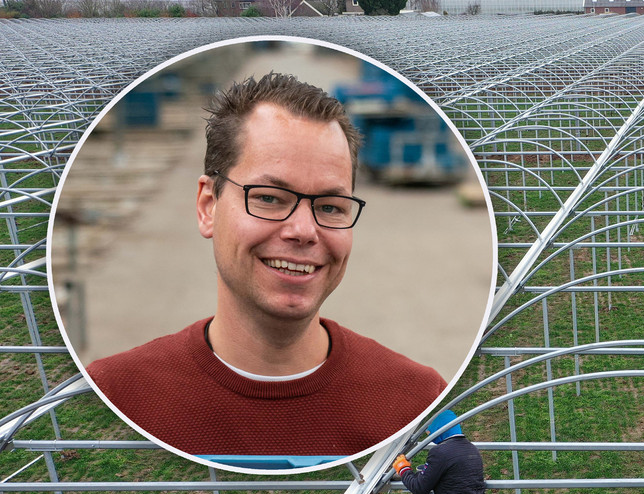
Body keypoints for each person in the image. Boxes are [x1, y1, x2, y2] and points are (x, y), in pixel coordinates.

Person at [86, 72, 445, 458]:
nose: (304, 231)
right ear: (208, 206)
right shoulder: (113, 398)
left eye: (330, 207)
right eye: (270, 198)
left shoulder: (417, 403)